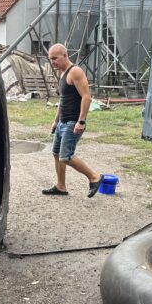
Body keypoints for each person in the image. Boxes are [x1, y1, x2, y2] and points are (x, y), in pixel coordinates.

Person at [42, 43, 103, 198]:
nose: (52, 62)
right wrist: (56, 121)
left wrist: (81, 121)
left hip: (73, 122)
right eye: (50, 59)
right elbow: (63, 101)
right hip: (63, 122)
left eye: (55, 58)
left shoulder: (75, 71)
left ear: (65, 55)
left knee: (66, 156)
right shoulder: (63, 75)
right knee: (56, 153)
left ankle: (94, 177)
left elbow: (86, 97)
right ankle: (61, 186)